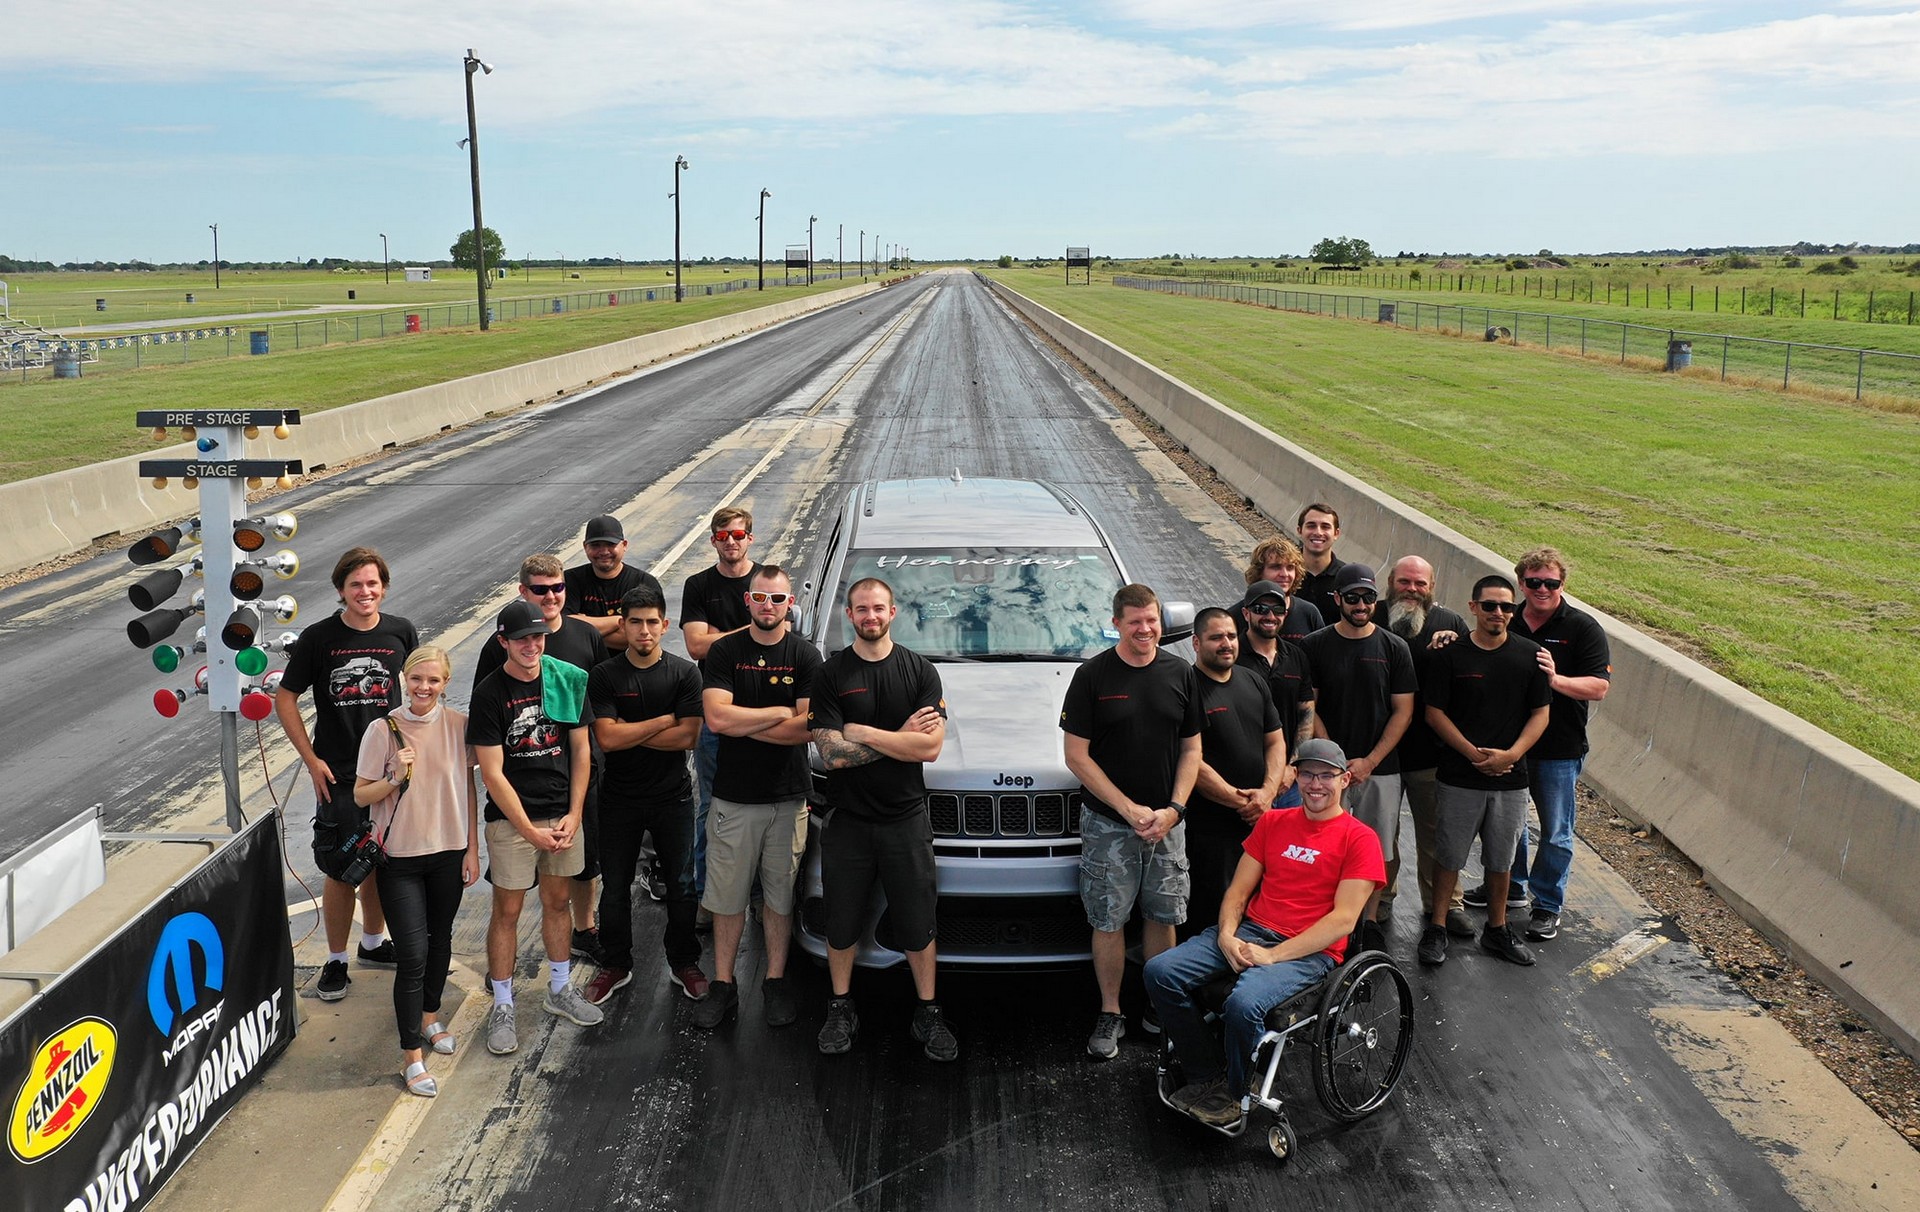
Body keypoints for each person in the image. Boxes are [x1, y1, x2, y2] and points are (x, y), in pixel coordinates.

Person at [1143, 739, 1384, 1127]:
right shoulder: (1273, 823)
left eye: (1326, 775)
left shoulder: (1359, 839)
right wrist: (1226, 936)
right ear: (1295, 778)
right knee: (1160, 972)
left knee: (1244, 1003)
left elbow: (1342, 921)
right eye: (1306, 774)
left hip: (1310, 952)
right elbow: (1237, 893)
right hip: (1252, 930)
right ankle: (1206, 1071)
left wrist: (1273, 955)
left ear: (1345, 780)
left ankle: (1237, 1091)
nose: (1315, 783)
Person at [809, 578, 954, 1060]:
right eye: (861, 609)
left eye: (878, 608)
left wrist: (865, 732)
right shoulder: (831, 674)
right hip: (848, 820)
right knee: (842, 921)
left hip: (905, 820)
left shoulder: (920, 671)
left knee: (918, 922)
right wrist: (899, 737)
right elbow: (831, 756)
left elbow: (929, 748)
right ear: (849, 615)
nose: (870, 616)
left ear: (893, 612)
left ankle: (928, 1011)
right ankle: (840, 1005)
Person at [1061, 583, 1201, 1060]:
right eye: (1136, 621)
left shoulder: (1180, 673)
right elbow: (1076, 757)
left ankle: (1159, 1009)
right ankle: (1111, 1012)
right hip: (1109, 826)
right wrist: (1126, 808)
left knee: (1163, 916)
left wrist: (1174, 810)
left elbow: (1192, 749)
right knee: (1109, 918)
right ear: (1116, 623)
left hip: (1168, 825)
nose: (1146, 630)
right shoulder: (1092, 677)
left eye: (1152, 620)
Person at [274, 546, 417, 1001]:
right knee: (340, 869)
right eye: (355, 584)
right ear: (341, 590)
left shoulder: (401, 632)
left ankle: (373, 945)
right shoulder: (320, 638)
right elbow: (285, 698)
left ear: (384, 587)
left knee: (382, 861)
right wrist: (310, 759)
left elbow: (416, 693)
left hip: (392, 772)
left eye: (372, 583)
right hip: (339, 775)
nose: (365, 591)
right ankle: (335, 960)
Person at [468, 599, 604, 1055]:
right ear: (503, 641)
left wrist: (574, 813)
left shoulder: (564, 679)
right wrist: (527, 828)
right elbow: (491, 772)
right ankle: (503, 1003)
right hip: (513, 822)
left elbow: (582, 751)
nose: (532, 645)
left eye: (539, 636)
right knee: (506, 912)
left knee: (558, 902)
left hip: (562, 816)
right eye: (522, 638)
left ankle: (560, 989)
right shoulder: (490, 693)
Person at [692, 565, 819, 1030]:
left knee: (780, 897)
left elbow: (806, 728)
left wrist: (747, 721)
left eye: (778, 600)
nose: (769, 607)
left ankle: (775, 979)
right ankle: (723, 985)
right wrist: (779, 713)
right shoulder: (725, 651)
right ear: (748, 601)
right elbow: (717, 721)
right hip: (734, 799)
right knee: (726, 898)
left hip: (788, 799)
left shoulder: (806, 655)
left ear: (790, 605)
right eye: (761, 598)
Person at [353, 646, 479, 1098]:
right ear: (403, 679)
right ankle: (411, 1057)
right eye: (417, 679)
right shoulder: (381, 730)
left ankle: (429, 1017)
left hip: (448, 852)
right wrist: (392, 777)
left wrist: (472, 849)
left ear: (446, 683)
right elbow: (360, 797)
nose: (424, 688)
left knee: (440, 939)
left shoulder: (459, 726)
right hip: (401, 860)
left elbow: (467, 788)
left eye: (434, 680)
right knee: (411, 956)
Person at [473, 555, 611, 964]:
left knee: (574, 883)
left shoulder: (580, 647)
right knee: (509, 908)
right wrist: (526, 828)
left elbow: (591, 725)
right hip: (516, 804)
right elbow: (490, 745)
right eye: (540, 589)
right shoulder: (492, 675)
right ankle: (501, 986)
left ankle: (579, 944)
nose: (550, 596)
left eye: (557, 588)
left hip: (571, 787)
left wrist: (576, 805)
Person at [1478, 548, 1612, 943]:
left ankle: (1548, 903)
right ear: (1521, 583)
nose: (1541, 589)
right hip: (1513, 744)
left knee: (1555, 831)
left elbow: (1599, 687)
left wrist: (1555, 680)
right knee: (1509, 824)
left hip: (1559, 748)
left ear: (1562, 585)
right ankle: (1512, 887)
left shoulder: (1583, 627)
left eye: (1550, 583)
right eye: (1533, 582)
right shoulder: (1507, 617)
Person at [1418, 575, 1552, 967]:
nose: (1499, 613)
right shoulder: (1450, 655)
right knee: (1449, 855)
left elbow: (1541, 714)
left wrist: (1510, 755)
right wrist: (1474, 754)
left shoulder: (1530, 655)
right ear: (1473, 607)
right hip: (1459, 776)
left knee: (1501, 858)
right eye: (1490, 605)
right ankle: (1437, 927)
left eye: (1506, 607)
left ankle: (1496, 930)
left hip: (1510, 780)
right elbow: (1434, 712)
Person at [583, 585, 706, 1006]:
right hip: (619, 797)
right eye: (635, 622)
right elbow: (607, 740)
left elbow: (688, 737)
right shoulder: (605, 675)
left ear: (665, 625)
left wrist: (630, 732)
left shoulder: (685, 673)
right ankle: (616, 964)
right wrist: (663, 720)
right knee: (614, 887)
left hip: (672, 797)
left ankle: (684, 962)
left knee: (683, 885)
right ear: (623, 625)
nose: (644, 630)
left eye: (652, 621)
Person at [1294, 563, 1415, 945]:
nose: (1360, 604)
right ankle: (1324, 920)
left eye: (1367, 597)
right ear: (1338, 600)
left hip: (1379, 770)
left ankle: (1368, 921)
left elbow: (1403, 711)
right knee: (1323, 844)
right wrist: (1334, 760)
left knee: (1377, 847)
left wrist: (1370, 761)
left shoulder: (1395, 648)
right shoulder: (1314, 646)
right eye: (1352, 598)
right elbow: (1309, 707)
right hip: (1328, 771)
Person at [1382, 556, 1473, 938]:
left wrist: (1456, 648)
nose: (1412, 589)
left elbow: (1471, 675)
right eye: (1405, 581)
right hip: (1380, 753)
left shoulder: (1449, 623)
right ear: (1391, 582)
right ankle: (1379, 899)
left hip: (1430, 753)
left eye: (1420, 583)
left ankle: (1446, 904)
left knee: (1437, 834)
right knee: (1379, 834)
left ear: (1432, 586)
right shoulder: (1367, 614)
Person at [679, 506, 759, 911]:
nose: (731, 541)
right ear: (712, 540)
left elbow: (782, 635)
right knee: (710, 804)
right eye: (723, 535)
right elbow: (695, 646)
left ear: (750, 538)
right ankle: (706, 897)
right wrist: (753, 629)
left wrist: (718, 637)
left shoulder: (766, 580)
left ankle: (761, 898)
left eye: (738, 535)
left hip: (763, 709)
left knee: (767, 807)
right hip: (715, 711)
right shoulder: (698, 585)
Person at [1186, 607, 1284, 938]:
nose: (1226, 643)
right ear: (1196, 642)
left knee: (1257, 906)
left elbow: (1275, 742)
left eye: (1230, 635)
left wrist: (1268, 793)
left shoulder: (1252, 680)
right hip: (1211, 830)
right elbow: (1192, 762)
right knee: (1213, 912)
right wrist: (1242, 801)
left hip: (1259, 824)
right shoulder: (1186, 689)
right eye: (1216, 638)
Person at [1232, 581, 1316, 808]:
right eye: (1261, 609)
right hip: (1242, 785)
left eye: (1277, 610)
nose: (1270, 616)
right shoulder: (1231, 657)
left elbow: (1306, 715)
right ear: (1246, 613)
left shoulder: (1297, 657)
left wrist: (1293, 767)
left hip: (1287, 784)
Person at [565, 514, 664, 652]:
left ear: (624, 545)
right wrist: (617, 621)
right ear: (585, 547)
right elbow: (563, 628)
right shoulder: (570, 580)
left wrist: (583, 627)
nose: (604, 551)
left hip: (629, 668)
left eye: (610, 544)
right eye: (595, 545)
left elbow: (642, 637)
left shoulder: (644, 583)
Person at [1241, 537, 1324, 644]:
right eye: (1276, 567)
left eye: (1290, 567)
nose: (1284, 574)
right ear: (1259, 572)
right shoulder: (1235, 617)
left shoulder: (1309, 613)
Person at [1294, 504, 1348, 629]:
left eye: (1325, 527)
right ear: (1299, 530)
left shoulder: (1346, 578)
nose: (1318, 532)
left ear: (1336, 533)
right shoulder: (1285, 574)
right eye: (1311, 526)